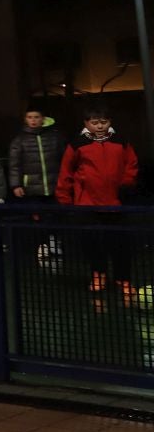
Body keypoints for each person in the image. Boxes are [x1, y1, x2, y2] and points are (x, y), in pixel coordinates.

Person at [57, 106, 139, 303]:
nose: (100, 126)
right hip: (88, 204)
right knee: (92, 242)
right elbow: (66, 172)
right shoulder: (77, 144)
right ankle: (98, 274)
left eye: (104, 122)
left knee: (120, 244)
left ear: (110, 122)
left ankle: (123, 279)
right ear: (86, 124)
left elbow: (132, 164)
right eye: (95, 122)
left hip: (116, 202)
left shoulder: (121, 142)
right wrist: (65, 201)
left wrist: (127, 183)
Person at [8, 109, 67, 200]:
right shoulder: (19, 140)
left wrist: (65, 181)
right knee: (35, 212)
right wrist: (16, 185)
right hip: (30, 188)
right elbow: (14, 165)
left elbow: (65, 161)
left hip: (55, 185)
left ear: (43, 119)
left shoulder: (55, 137)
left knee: (54, 212)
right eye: (30, 117)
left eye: (36, 117)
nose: (33, 120)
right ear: (25, 119)